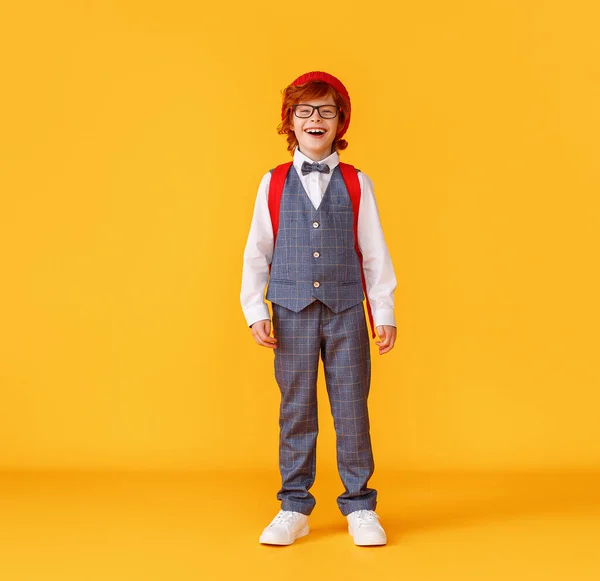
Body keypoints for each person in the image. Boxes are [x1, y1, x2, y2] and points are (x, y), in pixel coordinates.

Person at [240, 71, 397, 546]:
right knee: (297, 410)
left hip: (347, 309)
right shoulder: (272, 183)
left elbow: (374, 252)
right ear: (290, 119)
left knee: (351, 408)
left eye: (326, 110)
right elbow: (257, 251)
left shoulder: (356, 182)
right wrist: (256, 309)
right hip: (289, 312)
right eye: (305, 110)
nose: (315, 118)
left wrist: (383, 313)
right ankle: (293, 505)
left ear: (340, 121)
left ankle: (359, 506)